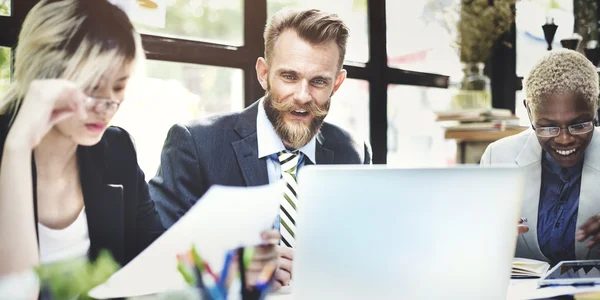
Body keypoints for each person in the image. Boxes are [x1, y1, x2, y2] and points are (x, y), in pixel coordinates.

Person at [0, 0, 278, 298]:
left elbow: (152, 264)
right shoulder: (11, 148)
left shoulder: (116, 150)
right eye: (92, 87)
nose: (108, 106)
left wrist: (231, 266)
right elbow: (15, 290)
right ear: (44, 75)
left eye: (118, 88)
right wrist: (16, 148)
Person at [149, 8, 371, 290]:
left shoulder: (353, 153)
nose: (302, 97)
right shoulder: (195, 144)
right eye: (289, 77)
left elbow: (361, 251)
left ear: (337, 83)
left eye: (318, 81)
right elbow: (155, 254)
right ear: (263, 74)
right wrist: (234, 269)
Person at [480, 49, 600, 265]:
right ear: (529, 112)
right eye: (548, 127)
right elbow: (477, 249)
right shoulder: (497, 158)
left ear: (595, 106)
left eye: (579, 124)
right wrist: (484, 234)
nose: (564, 139)